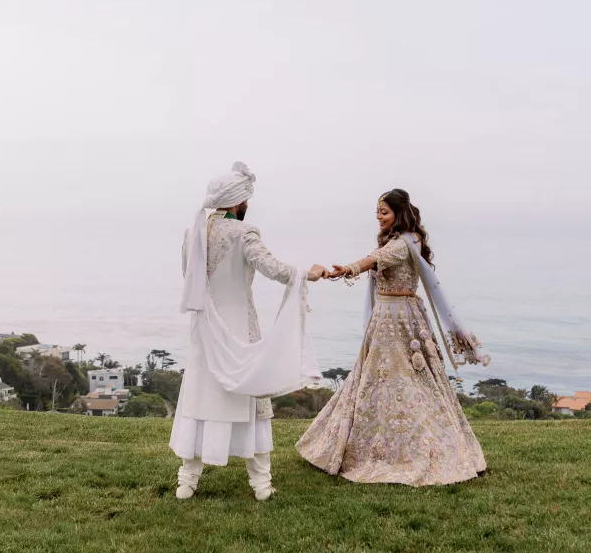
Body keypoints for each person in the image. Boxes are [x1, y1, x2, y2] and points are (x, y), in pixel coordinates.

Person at [296, 188, 490, 487]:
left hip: (401, 320)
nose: (379, 217)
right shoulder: (399, 241)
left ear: (399, 214)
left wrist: (346, 269)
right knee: (374, 380)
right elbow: (377, 258)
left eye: (384, 212)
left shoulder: (406, 242)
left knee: (410, 381)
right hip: (385, 318)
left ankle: (416, 450)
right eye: (377, 212)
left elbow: (375, 259)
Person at [171, 162, 328, 501]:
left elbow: (191, 279)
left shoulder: (192, 233)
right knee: (251, 398)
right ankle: (260, 484)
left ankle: (187, 481)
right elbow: (272, 268)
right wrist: (307, 274)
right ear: (239, 202)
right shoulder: (246, 233)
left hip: (205, 330)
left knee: (202, 397)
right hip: (240, 327)